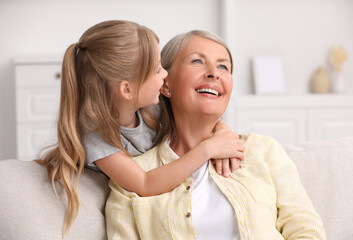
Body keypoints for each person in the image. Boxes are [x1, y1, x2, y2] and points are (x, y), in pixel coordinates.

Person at [106, 30, 326, 239]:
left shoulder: (262, 149)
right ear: (165, 83)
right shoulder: (132, 178)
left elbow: (306, 230)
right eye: (197, 61)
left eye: (223, 66)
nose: (214, 72)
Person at [36, 20, 245, 238]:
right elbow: (145, 183)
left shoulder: (149, 109)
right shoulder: (97, 139)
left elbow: (199, 115)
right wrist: (209, 149)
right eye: (157, 70)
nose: (165, 75)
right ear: (127, 89)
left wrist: (222, 131)